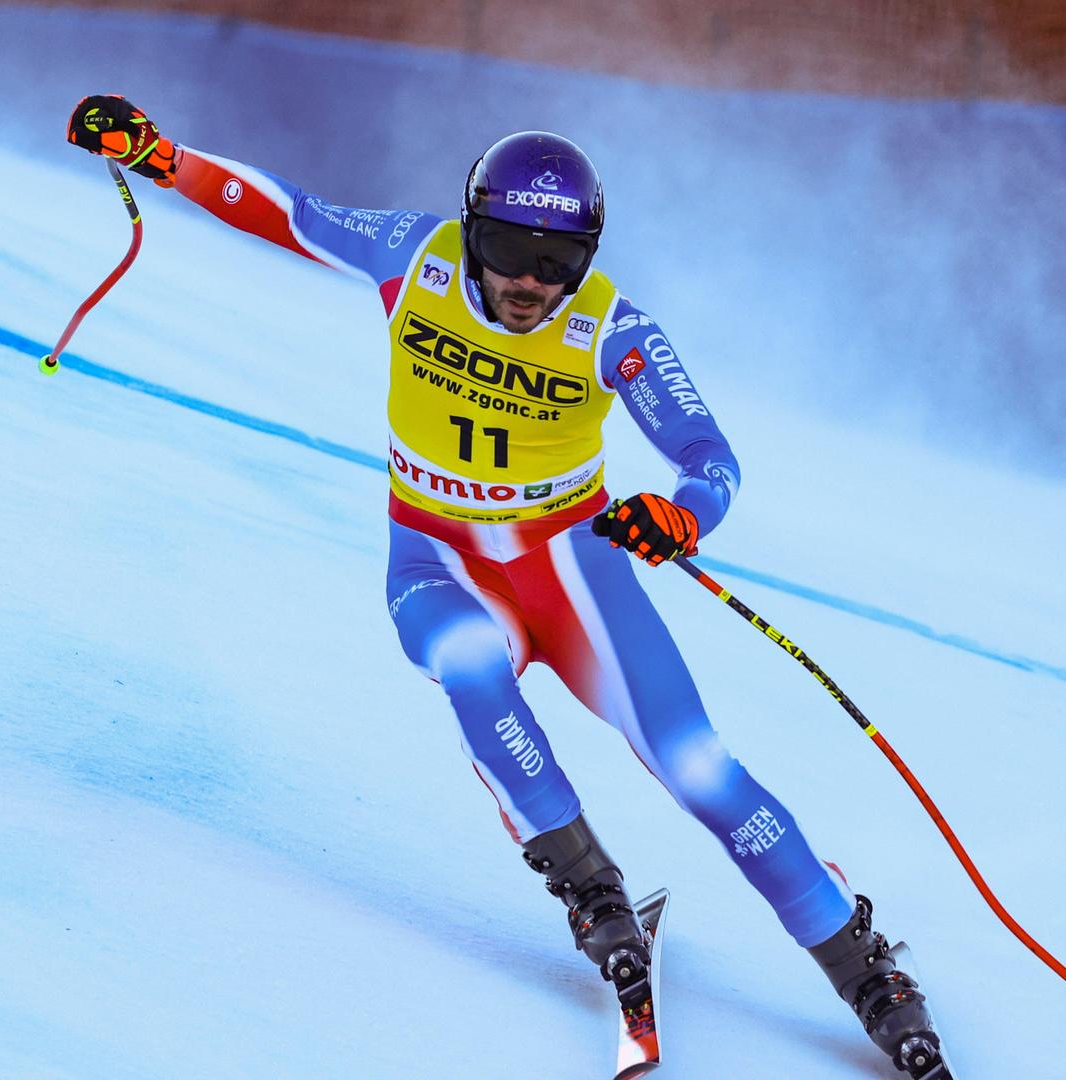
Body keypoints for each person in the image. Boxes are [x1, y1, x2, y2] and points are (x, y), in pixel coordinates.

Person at [65, 94, 946, 1077]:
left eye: (559, 264)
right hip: (436, 558)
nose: (530, 282)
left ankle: (862, 966)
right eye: (506, 248)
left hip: (570, 571)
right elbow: (283, 210)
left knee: (699, 770)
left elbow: (710, 454)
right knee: (469, 665)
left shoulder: (613, 327)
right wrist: (156, 155)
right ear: (469, 226)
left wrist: (683, 513)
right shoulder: (418, 257)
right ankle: (591, 892)